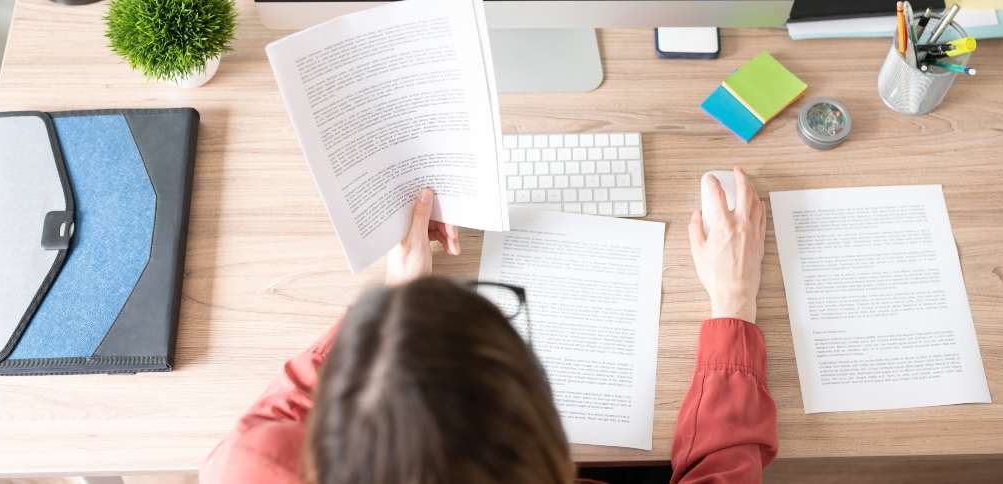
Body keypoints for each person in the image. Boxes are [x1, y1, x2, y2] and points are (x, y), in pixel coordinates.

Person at [201, 168, 775, 484]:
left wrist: (399, 312)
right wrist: (733, 300)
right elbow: (722, 474)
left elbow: (275, 418)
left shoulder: (255, 467)